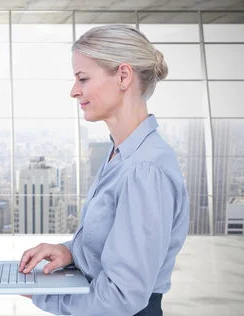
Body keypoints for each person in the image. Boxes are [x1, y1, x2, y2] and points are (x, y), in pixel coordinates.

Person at [19, 24, 190, 316]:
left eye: (83, 78)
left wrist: (42, 294)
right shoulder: (120, 154)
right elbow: (114, 241)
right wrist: (71, 252)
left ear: (123, 76)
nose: (74, 91)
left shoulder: (145, 169)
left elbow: (121, 298)